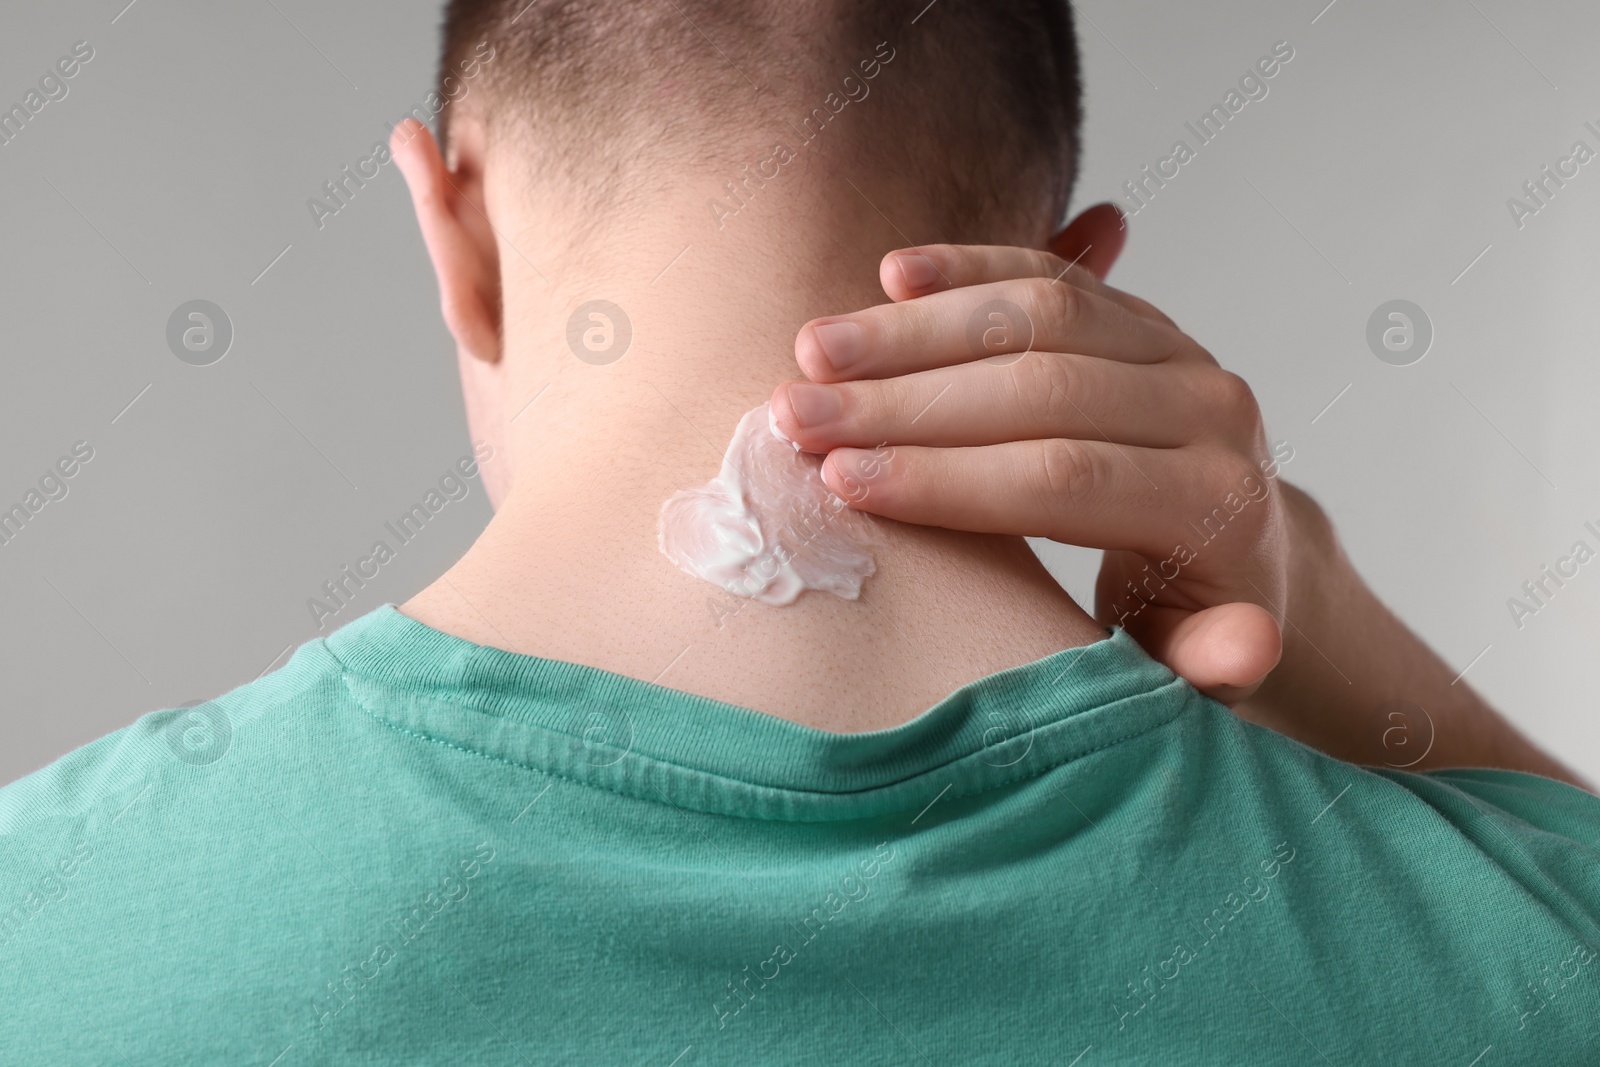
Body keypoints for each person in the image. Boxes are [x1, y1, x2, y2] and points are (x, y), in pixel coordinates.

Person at [3, 1, 1596, 1063]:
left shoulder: (42, 924)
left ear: (455, 229)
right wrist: (1319, 602)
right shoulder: (1522, 944)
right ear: (1068, 282)